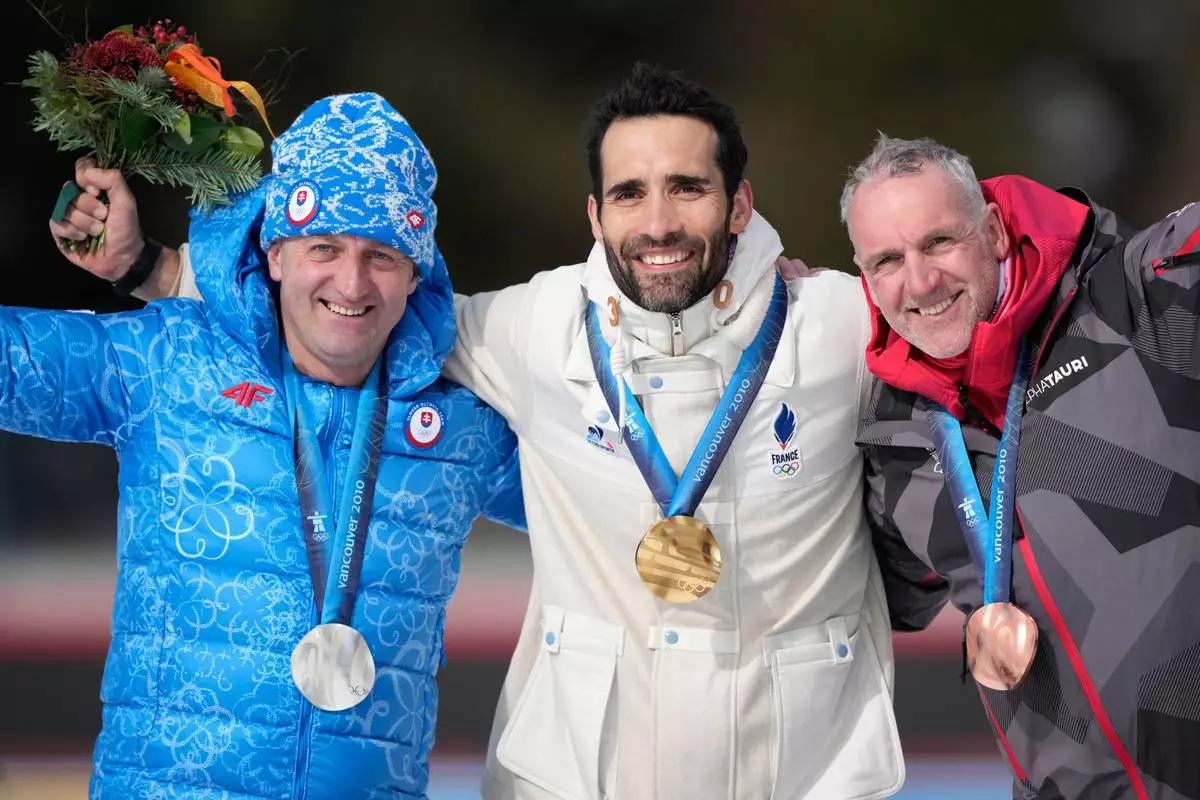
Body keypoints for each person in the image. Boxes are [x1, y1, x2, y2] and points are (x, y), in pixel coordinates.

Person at [58, 65, 911, 799]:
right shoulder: (532, 328)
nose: (658, 222)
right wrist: (155, 271)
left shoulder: (842, 321)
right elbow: (354, 317)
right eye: (629, 193)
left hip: (806, 774)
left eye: (687, 187)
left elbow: (962, 305)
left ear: (739, 205)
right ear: (594, 214)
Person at [31, 91, 523, 798]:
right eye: (324, 247)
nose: (351, 284)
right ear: (276, 252)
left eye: (382, 255)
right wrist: (143, 268)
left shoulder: (462, 429)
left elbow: (604, 503)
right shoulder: (168, 364)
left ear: (416, 274)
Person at [843, 133, 1200, 800]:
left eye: (939, 242)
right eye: (887, 259)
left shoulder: (1145, 297)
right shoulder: (895, 443)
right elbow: (840, 597)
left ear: (997, 231)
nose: (919, 281)